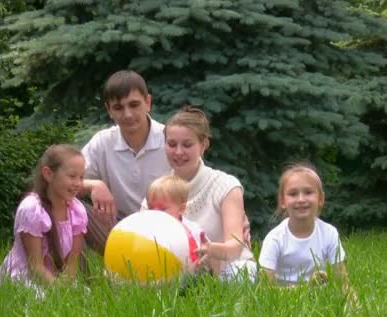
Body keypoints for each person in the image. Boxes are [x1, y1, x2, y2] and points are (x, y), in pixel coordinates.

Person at [158, 106, 256, 282]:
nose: (178, 152)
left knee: (240, 274)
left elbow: (235, 247)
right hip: (179, 272)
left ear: (203, 145)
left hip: (229, 269)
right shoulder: (157, 191)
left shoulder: (226, 186)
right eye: (172, 144)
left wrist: (209, 250)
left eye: (187, 145)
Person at [81, 70, 170, 255]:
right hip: (118, 231)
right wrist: (93, 184)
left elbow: (197, 185)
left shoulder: (170, 139)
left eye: (134, 105)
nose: (127, 114)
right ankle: (70, 275)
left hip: (167, 230)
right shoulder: (103, 142)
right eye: (118, 108)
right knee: (72, 207)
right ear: (109, 110)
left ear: (148, 103)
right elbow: (62, 182)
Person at [0, 144, 88, 287]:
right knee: (40, 299)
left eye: (81, 177)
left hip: (56, 278)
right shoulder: (32, 209)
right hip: (25, 276)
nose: (78, 183)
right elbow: (35, 267)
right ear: (48, 174)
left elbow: (72, 264)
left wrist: (67, 287)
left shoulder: (77, 211)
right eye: (72, 176)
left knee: (84, 297)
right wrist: (60, 292)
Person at [258, 163, 355, 297]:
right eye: (293, 194)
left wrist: (356, 308)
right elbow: (264, 290)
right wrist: (305, 290)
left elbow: (343, 283)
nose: (301, 199)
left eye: (308, 192)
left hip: (321, 301)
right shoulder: (275, 238)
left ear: (321, 199)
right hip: (283, 301)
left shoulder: (329, 234)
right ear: (282, 201)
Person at [146, 175, 210, 273]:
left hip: (186, 275)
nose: (155, 212)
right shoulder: (146, 227)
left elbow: (206, 251)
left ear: (181, 209)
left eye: (163, 209)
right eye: (151, 208)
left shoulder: (192, 231)